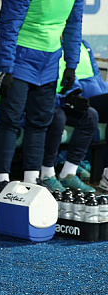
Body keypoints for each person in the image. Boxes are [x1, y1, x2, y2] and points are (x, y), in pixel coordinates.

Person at [0, 0, 86, 202]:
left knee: (40, 122)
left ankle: (32, 179)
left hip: (49, 62)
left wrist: (71, 64)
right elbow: (8, 24)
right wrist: (6, 68)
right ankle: (2, 180)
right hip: (20, 58)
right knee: (10, 119)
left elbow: (73, 24)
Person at [41, 43, 98, 194]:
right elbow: (38, 91)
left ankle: (68, 173)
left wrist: (74, 96)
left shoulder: (65, 53)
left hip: (59, 102)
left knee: (90, 115)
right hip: (41, 105)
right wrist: (63, 100)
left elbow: (72, 81)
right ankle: (47, 173)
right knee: (57, 117)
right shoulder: (39, 50)